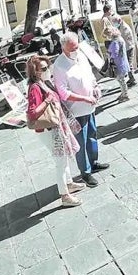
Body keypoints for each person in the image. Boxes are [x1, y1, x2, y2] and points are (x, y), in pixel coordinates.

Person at [52, 32, 110, 188]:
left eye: (77, 47)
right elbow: (63, 92)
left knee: (92, 134)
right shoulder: (59, 66)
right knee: (81, 141)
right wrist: (84, 98)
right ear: (63, 49)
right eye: (72, 49)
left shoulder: (81, 57)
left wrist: (96, 88)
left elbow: (90, 76)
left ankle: (93, 161)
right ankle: (85, 172)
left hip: (90, 106)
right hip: (76, 110)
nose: (75, 51)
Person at [26, 56, 85, 206]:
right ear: (36, 72)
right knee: (60, 160)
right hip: (48, 129)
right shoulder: (35, 88)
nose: (48, 70)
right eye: (44, 69)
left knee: (64, 156)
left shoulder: (43, 83)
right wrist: (47, 100)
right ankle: (64, 195)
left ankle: (69, 183)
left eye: (48, 67)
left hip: (56, 127)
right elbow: (32, 113)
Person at [101, 5, 130, 101]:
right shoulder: (120, 38)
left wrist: (109, 54)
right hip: (123, 62)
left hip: (119, 64)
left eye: (107, 36)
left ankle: (125, 95)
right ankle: (124, 93)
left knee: (121, 80)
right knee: (122, 80)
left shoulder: (115, 42)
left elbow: (115, 53)